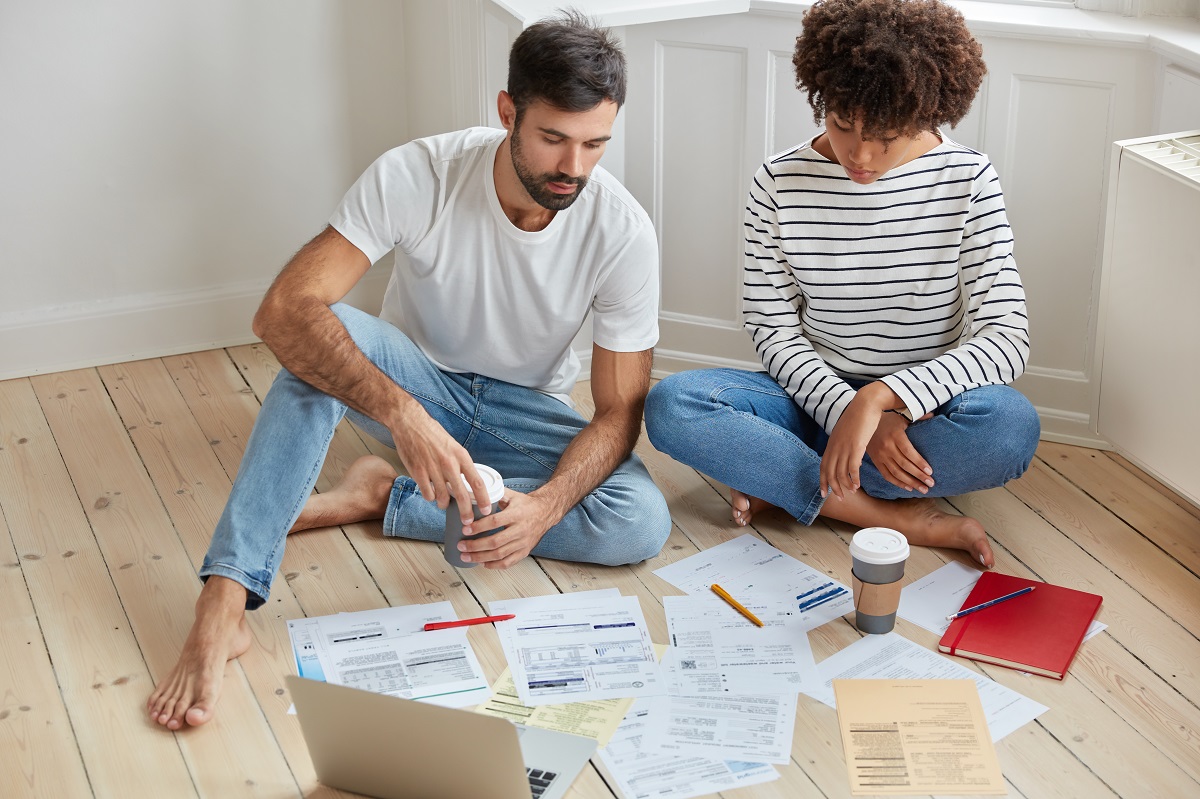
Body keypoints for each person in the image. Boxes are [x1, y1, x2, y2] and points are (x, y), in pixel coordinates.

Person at [148, 11, 670, 730]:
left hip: (524, 413)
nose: (572, 169)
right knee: (317, 343)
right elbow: (281, 311)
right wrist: (404, 416)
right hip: (417, 380)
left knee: (639, 520)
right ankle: (226, 599)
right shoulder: (420, 172)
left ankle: (381, 496)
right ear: (508, 112)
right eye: (553, 138)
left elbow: (618, 413)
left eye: (594, 145)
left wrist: (546, 506)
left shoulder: (623, 230)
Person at [645, 0, 1038, 569]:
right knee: (673, 405)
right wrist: (845, 410)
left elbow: (1007, 335)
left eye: (885, 137)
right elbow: (772, 327)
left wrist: (883, 404)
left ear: (928, 117)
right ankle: (885, 512)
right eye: (842, 125)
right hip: (811, 396)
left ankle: (787, 479)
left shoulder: (969, 179)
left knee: (1009, 428)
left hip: (926, 406)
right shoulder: (777, 182)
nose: (860, 154)